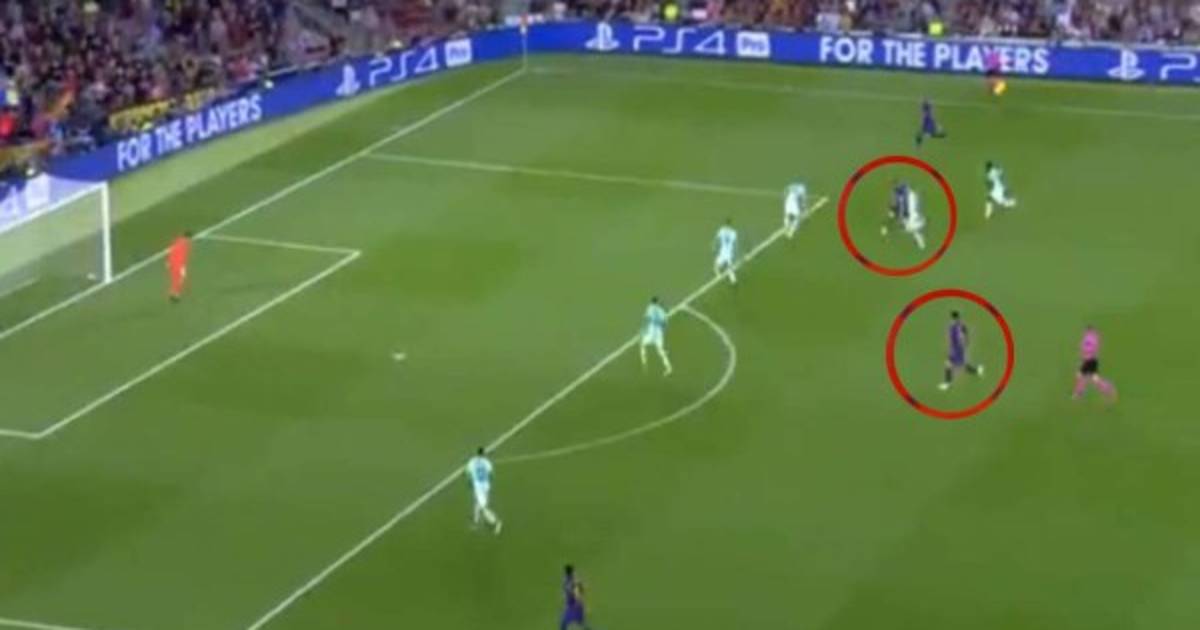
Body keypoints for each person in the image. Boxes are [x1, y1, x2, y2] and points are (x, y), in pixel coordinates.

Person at [939, 310, 984, 390]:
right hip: (955, 348)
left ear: (953, 318)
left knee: (952, 365)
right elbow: (963, 335)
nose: (952, 320)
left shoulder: (956, 326)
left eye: (953, 318)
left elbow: (960, 337)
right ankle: (977, 370)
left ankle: (947, 384)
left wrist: (961, 344)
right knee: (954, 365)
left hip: (957, 349)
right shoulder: (957, 325)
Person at [1073, 326, 1117, 401]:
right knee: (1092, 379)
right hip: (1090, 361)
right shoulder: (1091, 338)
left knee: (1081, 377)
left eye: (1086, 330)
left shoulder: (1090, 339)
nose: (1084, 332)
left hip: (1089, 361)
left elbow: (1089, 349)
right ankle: (1108, 389)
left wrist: (1085, 353)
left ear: (1089, 331)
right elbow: (1087, 349)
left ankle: (1078, 393)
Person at [465, 447, 502, 534]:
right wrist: (488, 481)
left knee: (483, 508)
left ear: (476, 453)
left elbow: (467, 473)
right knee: (478, 502)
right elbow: (491, 474)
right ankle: (476, 521)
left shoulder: (472, 461)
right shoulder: (486, 462)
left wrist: (469, 482)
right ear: (483, 454)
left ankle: (496, 522)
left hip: (478, 487)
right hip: (486, 486)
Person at [640, 296, 672, 376]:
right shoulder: (662, 311)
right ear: (657, 302)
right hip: (658, 333)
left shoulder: (649, 308)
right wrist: (662, 329)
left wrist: (643, 330)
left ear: (652, 302)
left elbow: (646, 319)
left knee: (642, 344)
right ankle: (668, 368)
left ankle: (644, 362)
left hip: (651, 333)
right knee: (660, 351)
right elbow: (665, 324)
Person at [560, 564, 590, 630]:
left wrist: (580, 603)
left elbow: (577, 593)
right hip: (573, 604)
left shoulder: (571, 581)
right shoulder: (569, 579)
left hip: (574, 605)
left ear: (566, 572)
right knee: (580, 622)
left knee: (564, 622)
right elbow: (581, 588)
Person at [167, 231, 192, 302]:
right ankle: (176, 294)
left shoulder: (177, 241)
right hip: (179, 265)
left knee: (175, 279)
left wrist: (168, 262)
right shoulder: (184, 245)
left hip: (173, 264)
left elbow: (171, 251)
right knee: (181, 279)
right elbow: (183, 256)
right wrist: (182, 267)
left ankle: (172, 293)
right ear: (188, 238)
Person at [713, 219, 738, 284]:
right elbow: (735, 244)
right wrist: (735, 251)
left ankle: (718, 276)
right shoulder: (733, 232)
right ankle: (733, 281)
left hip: (723, 252)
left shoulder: (722, 230)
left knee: (716, 266)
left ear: (725, 224)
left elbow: (716, 238)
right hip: (729, 253)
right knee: (729, 267)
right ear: (731, 224)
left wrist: (714, 246)